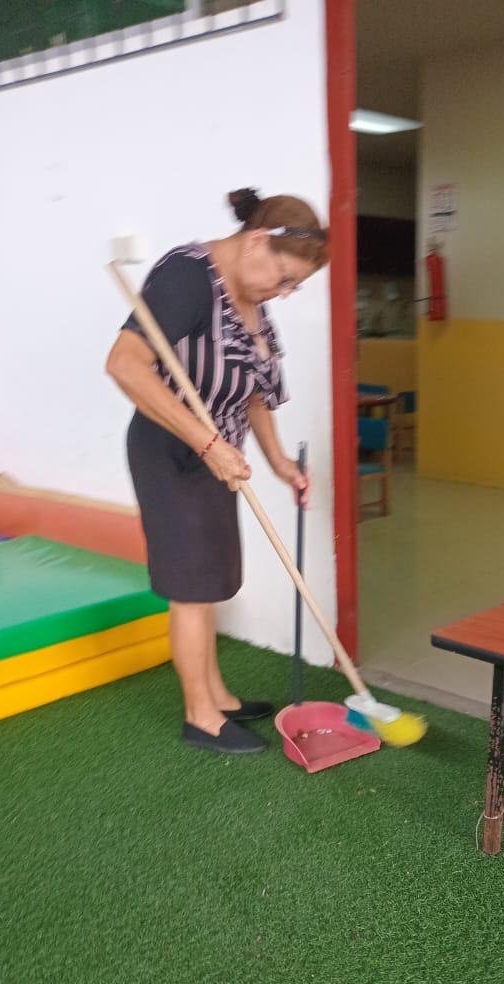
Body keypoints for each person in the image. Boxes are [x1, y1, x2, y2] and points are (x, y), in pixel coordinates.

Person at [106, 188, 329, 755]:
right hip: (171, 451)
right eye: (283, 278)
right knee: (191, 587)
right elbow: (125, 365)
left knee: (210, 580)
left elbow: (252, 389)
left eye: (294, 287)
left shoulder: (251, 296)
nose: (283, 293)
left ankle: (218, 696)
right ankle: (200, 717)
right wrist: (207, 442)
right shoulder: (186, 275)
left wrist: (279, 462)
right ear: (257, 242)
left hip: (217, 454)